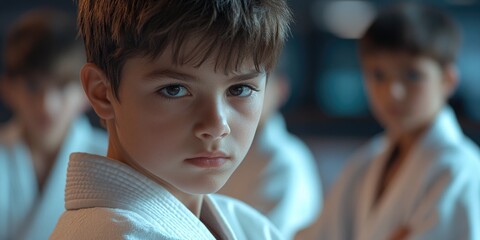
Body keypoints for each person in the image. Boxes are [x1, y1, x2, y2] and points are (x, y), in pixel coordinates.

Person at [50, 0, 292, 239]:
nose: (217, 126)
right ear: (102, 93)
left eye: (240, 89)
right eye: (174, 89)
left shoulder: (249, 227)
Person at [295, 3, 480, 240]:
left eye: (412, 75)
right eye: (378, 75)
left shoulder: (458, 171)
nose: (393, 91)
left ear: (447, 80)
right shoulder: (366, 163)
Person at [0, 9, 108, 240]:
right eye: (32, 86)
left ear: (87, 92)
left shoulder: (110, 159)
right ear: (8, 89)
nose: (46, 105)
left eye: (61, 87)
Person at [219, 53, 322, 239]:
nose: (228, 102)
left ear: (281, 89)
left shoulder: (284, 161)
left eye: (242, 88)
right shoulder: (219, 146)